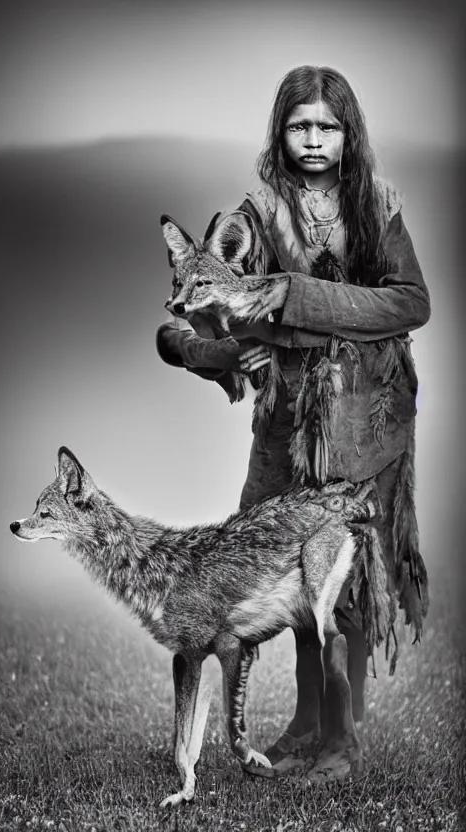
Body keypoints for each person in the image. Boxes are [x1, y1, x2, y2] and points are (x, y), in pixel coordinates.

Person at [156, 65, 430, 782]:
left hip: (363, 422)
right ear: (280, 132)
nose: (313, 139)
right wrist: (193, 345)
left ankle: (341, 737)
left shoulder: (376, 204)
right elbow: (216, 291)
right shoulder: (258, 210)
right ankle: (307, 724)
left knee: (345, 583)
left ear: (348, 133)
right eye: (299, 125)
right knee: (295, 576)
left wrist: (297, 295)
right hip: (287, 424)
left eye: (327, 126)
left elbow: (409, 303)